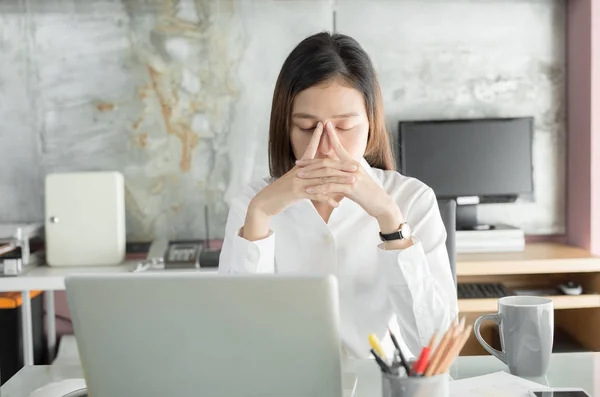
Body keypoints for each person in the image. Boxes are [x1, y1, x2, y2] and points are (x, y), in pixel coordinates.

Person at [218, 32, 458, 359]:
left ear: (371, 125)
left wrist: (390, 218)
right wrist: (259, 216)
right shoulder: (253, 203)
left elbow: (438, 346)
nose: (328, 147)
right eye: (306, 128)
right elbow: (234, 341)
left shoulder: (412, 199)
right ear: (284, 129)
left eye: (344, 127)